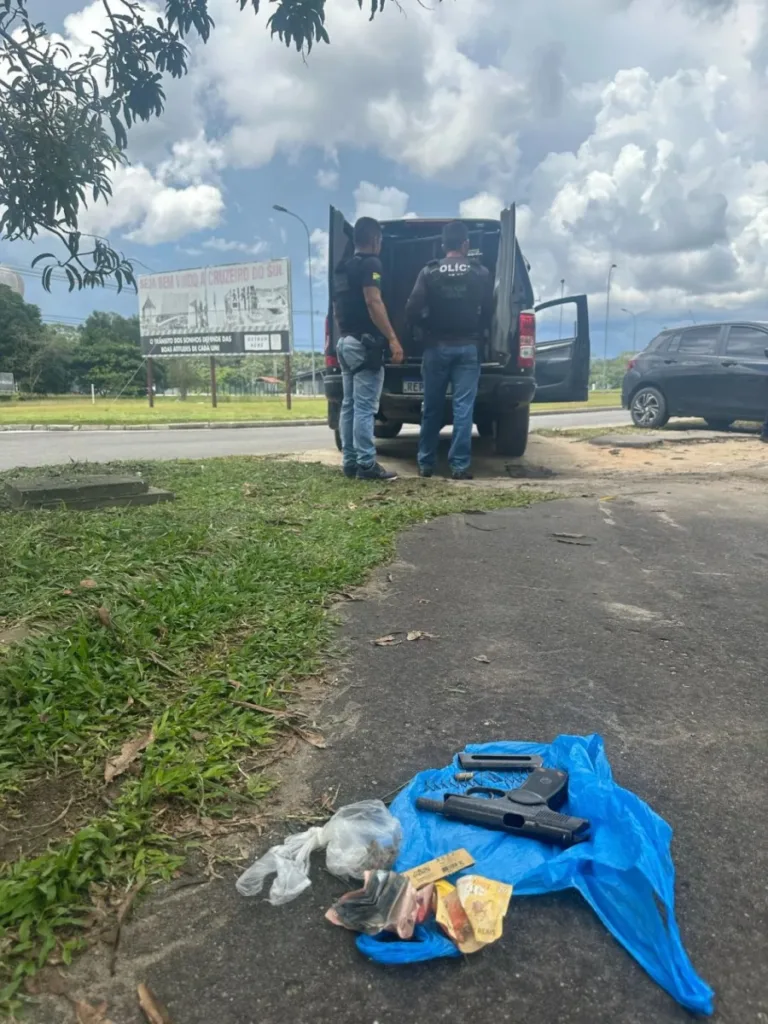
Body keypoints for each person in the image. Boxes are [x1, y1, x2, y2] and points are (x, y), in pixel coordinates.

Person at [405, 221, 492, 479]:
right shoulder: (481, 273)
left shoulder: (429, 272)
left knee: (431, 407)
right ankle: (459, 466)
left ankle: (426, 463)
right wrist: (480, 330)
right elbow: (490, 310)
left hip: (436, 347)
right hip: (468, 347)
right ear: (466, 245)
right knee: (463, 408)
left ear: (443, 246)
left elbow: (411, 308)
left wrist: (425, 325)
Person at [333, 216, 404, 481]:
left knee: (349, 405)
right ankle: (366, 465)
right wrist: (393, 338)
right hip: (364, 345)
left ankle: (350, 463)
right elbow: (373, 302)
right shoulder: (372, 264)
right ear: (375, 240)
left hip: (345, 342)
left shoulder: (342, 267)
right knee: (364, 408)